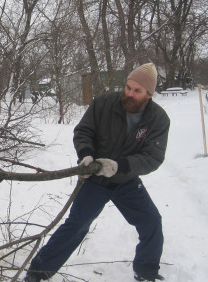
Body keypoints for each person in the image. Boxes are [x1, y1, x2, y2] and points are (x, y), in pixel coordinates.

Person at [24, 63, 170, 282]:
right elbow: (83, 131)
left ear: (149, 94)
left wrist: (120, 166)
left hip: (126, 181)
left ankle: (146, 272)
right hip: (95, 180)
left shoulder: (158, 119)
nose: (129, 93)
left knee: (151, 222)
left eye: (136, 90)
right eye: (128, 87)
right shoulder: (104, 103)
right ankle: (37, 273)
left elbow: (153, 157)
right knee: (76, 225)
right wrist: (86, 155)